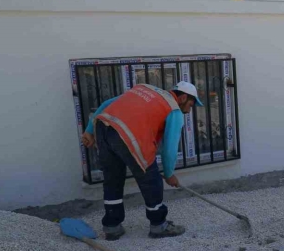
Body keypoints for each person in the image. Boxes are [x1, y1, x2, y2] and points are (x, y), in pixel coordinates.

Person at [81, 82, 203, 240]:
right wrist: (169, 173)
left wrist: (89, 131)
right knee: (152, 181)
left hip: (104, 127)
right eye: (191, 104)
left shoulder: (144, 89)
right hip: (129, 134)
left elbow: (106, 104)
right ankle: (159, 225)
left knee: (112, 180)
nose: (189, 109)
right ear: (183, 97)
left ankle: (112, 227)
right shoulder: (174, 109)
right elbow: (170, 148)